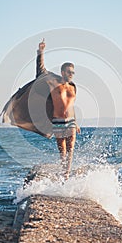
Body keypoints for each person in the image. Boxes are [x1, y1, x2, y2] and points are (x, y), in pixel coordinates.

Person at [37, 39, 80, 179]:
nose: (71, 74)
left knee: (71, 148)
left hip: (71, 121)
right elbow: (41, 70)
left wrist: (76, 122)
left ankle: (66, 174)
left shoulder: (73, 86)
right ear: (62, 72)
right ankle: (63, 171)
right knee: (63, 151)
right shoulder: (54, 83)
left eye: (73, 72)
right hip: (58, 122)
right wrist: (41, 52)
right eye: (69, 71)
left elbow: (71, 106)